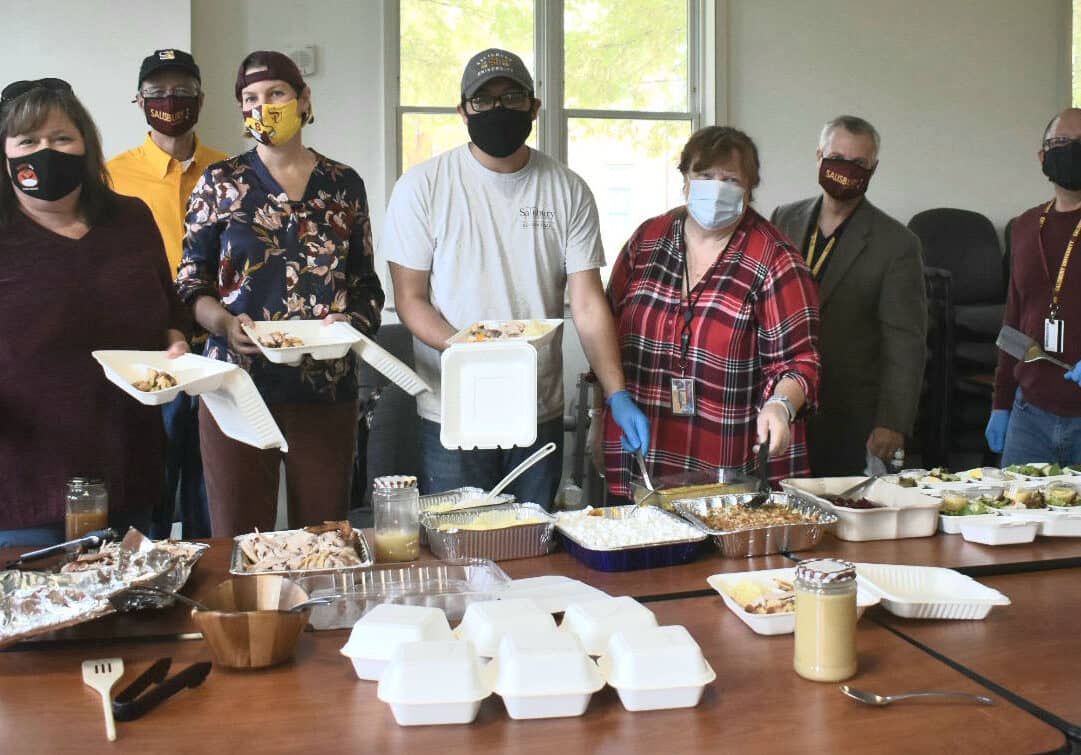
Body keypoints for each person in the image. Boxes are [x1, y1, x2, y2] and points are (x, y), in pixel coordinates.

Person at [382, 48, 649, 509]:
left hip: (535, 409)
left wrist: (617, 392)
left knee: (533, 554)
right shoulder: (423, 186)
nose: (498, 109)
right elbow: (410, 298)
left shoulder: (567, 189)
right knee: (459, 555)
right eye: (483, 100)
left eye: (511, 96)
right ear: (463, 110)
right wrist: (467, 350)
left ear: (535, 107)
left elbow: (586, 304)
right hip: (454, 408)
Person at [176, 51, 384, 537]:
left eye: (276, 94)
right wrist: (225, 324)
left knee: (325, 540)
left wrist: (352, 322)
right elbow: (192, 281)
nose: (262, 107)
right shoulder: (220, 182)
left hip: (326, 388)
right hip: (235, 386)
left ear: (304, 100)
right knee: (240, 542)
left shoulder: (343, 185)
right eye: (250, 98)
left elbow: (365, 284)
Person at [0, 78, 190, 547]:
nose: (46, 151)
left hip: (129, 458)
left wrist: (175, 341)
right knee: (44, 614)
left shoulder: (131, 219)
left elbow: (168, 311)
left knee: (134, 610)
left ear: (86, 146)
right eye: (28, 140)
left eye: (62, 138)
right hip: (25, 476)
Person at [599, 126, 821, 499]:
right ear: (685, 180)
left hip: (728, 469)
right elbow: (606, 326)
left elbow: (800, 361)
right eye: (704, 176)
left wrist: (782, 405)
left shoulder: (775, 259)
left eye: (730, 179)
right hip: (641, 457)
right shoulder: (648, 240)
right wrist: (606, 404)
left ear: (749, 188)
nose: (716, 187)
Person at [108, 49, 227, 539]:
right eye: (157, 93)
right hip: (149, 355)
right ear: (138, 100)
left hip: (219, 353)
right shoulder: (111, 176)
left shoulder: (230, 170)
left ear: (201, 98)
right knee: (150, 490)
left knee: (212, 492)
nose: (170, 101)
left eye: (182, 91)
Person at [772, 116, 926, 476]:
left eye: (857, 164)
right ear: (819, 157)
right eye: (837, 157)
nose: (845, 170)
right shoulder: (783, 219)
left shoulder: (897, 244)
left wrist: (894, 421)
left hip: (850, 413)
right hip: (782, 404)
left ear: (873, 168)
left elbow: (906, 341)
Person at [988, 108, 1081, 465]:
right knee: (1017, 517)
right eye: (1061, 143)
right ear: (1043, 156)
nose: (1071, 150)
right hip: (1030, 415)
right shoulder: (1026, 226)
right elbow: (1013, 321)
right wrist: (1001, 403)